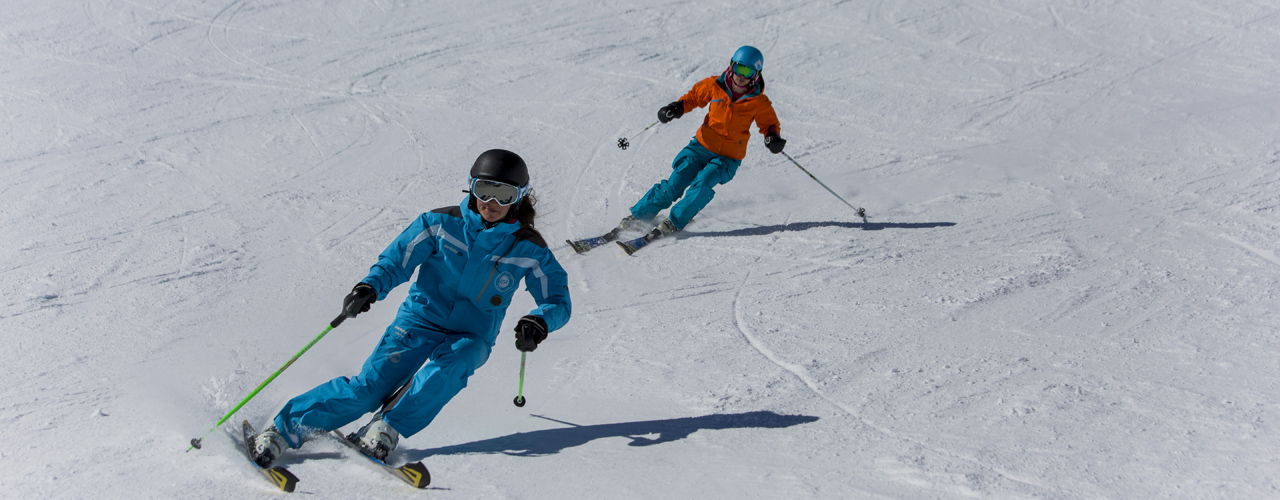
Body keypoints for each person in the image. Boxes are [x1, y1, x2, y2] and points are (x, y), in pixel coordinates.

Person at [249, 149, 572, 466]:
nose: (492, 203)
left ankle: (385, 428)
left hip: (470, 334)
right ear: (471, 187)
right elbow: (396, 261)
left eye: (504, 194)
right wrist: (370, 286)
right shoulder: (439, 224)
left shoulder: (530, 248)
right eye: (484, 190)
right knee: (368, 390)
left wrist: (540, 321)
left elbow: (557, 300)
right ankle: (283, 430)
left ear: (520, 196)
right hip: (419, 321)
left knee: (456, 363)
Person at [620, 45, 787, 240]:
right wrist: (676, 108)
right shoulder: (714, 86)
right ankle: (638, 216)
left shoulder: (759, 102)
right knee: (675, 183)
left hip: (728, 157)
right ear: (731, 66)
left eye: (747, 71)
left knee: (704, 182)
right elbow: (692, 98)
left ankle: (674, 222)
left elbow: (769, 124)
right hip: (701, 147)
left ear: (756, 75)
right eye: (738, 68)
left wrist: (772, 137)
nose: (741, 76)